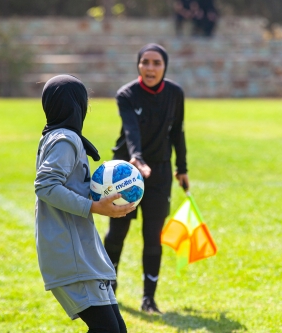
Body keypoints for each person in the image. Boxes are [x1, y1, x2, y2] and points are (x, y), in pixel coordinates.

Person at [34, 74, 135, 333]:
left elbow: (66, 185)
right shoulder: (65, 139)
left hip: (81, 251)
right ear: (76, 104)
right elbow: (45, 185)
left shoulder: (56, 136)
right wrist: (94, 207)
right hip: (72, 253)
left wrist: (103, 193)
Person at [104, 43, 189, 314]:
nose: (150, 68)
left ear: (165, 66)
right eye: (145, 62)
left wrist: (182, 168)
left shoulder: (175, 94)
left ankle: (149, 299)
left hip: (160, 174)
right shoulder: (126, 94)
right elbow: (131, 130)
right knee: (117, 233)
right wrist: (137, 158)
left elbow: (178, 132)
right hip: (125, 173)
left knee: (153, 237)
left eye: (156, 63)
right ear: (138, 65)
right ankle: (108, 289)